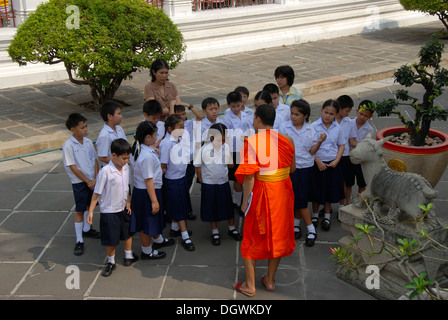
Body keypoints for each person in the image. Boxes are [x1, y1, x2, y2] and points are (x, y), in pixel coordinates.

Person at [233, 104, 296, 296]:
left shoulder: (252, 142)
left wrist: (244, 202)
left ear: (258, 119)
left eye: (254, 118)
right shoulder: (287, 139)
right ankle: (269, 280)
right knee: (278, 235)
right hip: (283, 193)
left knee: (251, 236)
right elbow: (292, 169)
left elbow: (250, 177)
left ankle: (249, 285)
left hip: (263, 193)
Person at [87, 138, 137, 277]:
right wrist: (91, 211)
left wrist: (128, 201)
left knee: (128, 233)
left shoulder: (126, 168)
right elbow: (97, 192)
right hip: (110, 211)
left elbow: (126, 186)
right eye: (124, 158)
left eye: (128, 158)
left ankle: (128, 255)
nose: (126, 161)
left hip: (123, 208)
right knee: (111, 238)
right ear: (114, 155)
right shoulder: (106, 171)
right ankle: (111, 261)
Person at [279, 100, 326, 246]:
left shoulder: (310, 130)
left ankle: (309, 229)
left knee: (301, 199)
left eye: (297, 114)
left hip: (305, 169)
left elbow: (311, 152)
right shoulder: (284, 127)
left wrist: (319, 142)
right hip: (290, 169)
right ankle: (296, 225)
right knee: (294, 198)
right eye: (292, 113)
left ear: (305, 116)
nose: (293, 117)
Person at [130, 121, 174, 260]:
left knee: (152, 220)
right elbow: (148, 180)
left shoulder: (142, 149)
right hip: (147, 193)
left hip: (147, 191)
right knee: (146, 223)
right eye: (155, 135)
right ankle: (146, 251)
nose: (157, 137)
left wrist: (154, 148)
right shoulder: (146, 156)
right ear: (148, 137)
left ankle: (158, 240)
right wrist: (154, 201)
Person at [194, 123, 242, 246]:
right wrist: (201, 180)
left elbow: (229, 162)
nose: (221, 142)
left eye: (224, 139)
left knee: (227, 206)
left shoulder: (225, 147)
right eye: (219, 140)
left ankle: (232, 228)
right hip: (209, 184)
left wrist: (231, 163)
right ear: (211, 137)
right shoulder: (204, 150)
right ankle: (214, 231)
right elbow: (198, 167)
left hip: (223, 182)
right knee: (211, 208)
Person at [62, 113, 100, 256]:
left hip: (92, 180)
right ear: (73, 129)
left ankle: (87, 229)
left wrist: (96, 178)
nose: (85, 130)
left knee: (89, 206)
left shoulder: (89, 142)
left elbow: (95, 160)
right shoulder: (68, 146)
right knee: (79, 209)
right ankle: (79, 240)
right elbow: (73, 167)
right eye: (82, 127)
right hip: (80, 182)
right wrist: (87, 181)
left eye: (86, 126)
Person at [159, 114, 195, 251]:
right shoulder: (167, 144)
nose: (183, 130)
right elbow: (163, 165)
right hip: (173, 180)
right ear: (170, 129)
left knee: (180, 205)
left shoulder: (178, 139)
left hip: (181, 177)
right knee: (179, 208)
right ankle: (185, 236)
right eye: (180, 127)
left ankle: (174, 229)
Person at [310, 99, 346, 232]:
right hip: (317, 163)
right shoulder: (314, 126)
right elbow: (309, 147)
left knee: (329, 191)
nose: (328, 116)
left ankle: (326, 216)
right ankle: (314, 215)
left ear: (336, 115)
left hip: (332, 164)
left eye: (331, 114)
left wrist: (336, 160)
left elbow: (341, 144)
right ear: (321, 110)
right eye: (326, 112)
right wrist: (317, 161)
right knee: (315, 191)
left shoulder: (338, 128)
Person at [222, 91, 252, 208]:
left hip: (246, 150)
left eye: (238, 106)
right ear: (228, 105)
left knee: (245, 177)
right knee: (237, 179)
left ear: (242, 103)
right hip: (234, 152)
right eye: (233, 106)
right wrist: (229, 156)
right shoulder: (226, 118)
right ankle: (237, 202)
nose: (236, 109)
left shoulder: (246, 115)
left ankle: (242, 200)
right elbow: (227, 139)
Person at [174, 104, 203, 220]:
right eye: (179, 114)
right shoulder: (174, 126)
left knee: (188, 184)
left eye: (183, 114)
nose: (182, 116)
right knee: (181, 186)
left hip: (190, 159)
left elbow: (200, 117)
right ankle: (182, 211)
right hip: (180, 160)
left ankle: (187, 210)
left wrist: (188, 105)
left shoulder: (190, 123)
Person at [346, 100, 375, 201]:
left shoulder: (370, 129)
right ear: (357, 111)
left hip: (362, 160)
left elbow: (367, 146)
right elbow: (345, 141)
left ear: (370, 117)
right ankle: (347, 202)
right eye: (361, 114)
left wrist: (353, 142)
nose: (362, 117)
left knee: (362, 183)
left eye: (366, 116)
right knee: (348, 182)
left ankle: (359, 202)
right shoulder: (348, 123)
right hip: (349, 157)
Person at [335, 95, 357, 208]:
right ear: (339, 108)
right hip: (331, 156)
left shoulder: (349, 122)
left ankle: (345, 203)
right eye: (346, 111)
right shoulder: (330, 120)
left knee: (347, 181)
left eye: (349, 111)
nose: (348, 113)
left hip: (345, 156)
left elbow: (352, 141)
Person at [96, 101, 127, 167]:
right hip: (112, 169)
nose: (121, 116)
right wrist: (117, 162)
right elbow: (102, 156)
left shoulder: (119, 129)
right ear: (110, 116)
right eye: (118, 114)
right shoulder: (104, 135)